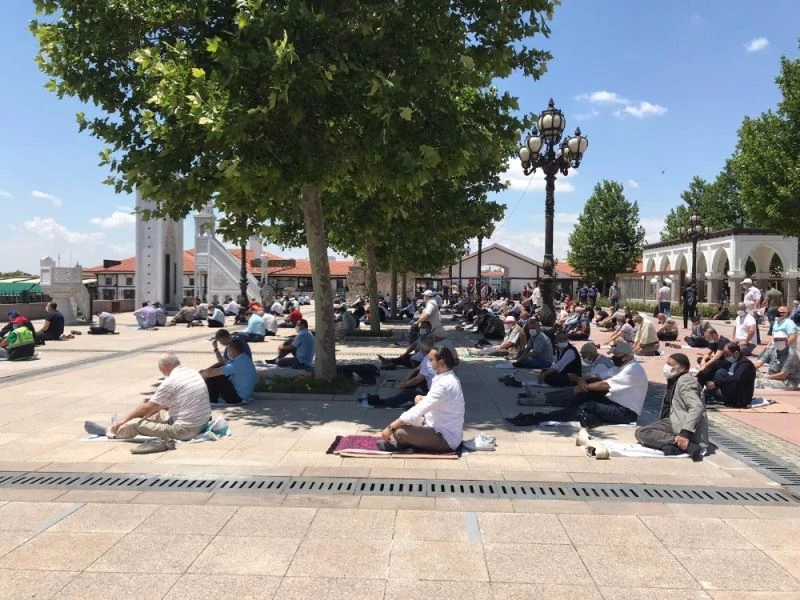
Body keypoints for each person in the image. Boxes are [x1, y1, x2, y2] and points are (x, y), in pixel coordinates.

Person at [507, 342, 647, 428]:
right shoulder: (621, 365)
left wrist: (584, 385)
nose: (614, 358)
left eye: (617, 355)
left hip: (626, 413)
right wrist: (582, 381)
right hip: (615, 402)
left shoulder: (632, 369)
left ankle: (543, 417)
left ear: (627, 356)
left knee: (588, 404)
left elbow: (605, 384)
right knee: (583, 392)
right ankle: (555, 412)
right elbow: (598, 377)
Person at [83, 353, 211, 441]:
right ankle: (123, 425)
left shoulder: (170, 381)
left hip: (185, 430)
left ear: (165, 368)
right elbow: (162, 405)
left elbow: (147, 408)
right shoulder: (191, 372)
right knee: (158, 412)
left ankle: (111, 432)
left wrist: (125, 420)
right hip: (202, 422)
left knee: (135, 424)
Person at [379, 346, 464, 453]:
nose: (428, 363)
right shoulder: (446, 378)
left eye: (431, 360)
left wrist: (390, 427)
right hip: (438, 426)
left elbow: (419, 410)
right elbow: (433, 401)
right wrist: (420, 398)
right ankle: (413, 441)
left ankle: (405, 445)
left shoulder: (445, 383)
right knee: (415, 402)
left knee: (399, 432)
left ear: (441, 363)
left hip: (445, 438)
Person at [635, 353, 707, 461]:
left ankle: (687, 445)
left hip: (683, 424)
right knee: (648, 432)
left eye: (670, 364)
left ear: (682, 368)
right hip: (674, 421)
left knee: (642, 433)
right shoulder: (675, 380)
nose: (666, 367)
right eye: (666, 363)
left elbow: (696, 406)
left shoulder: (686, 381)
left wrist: (685, 433)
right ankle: (675, 446)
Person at [369, 338, 436, 408]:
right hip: (436, 391)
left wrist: (404, 384)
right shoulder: (432, 356)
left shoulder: (428, 361)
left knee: (408, 394)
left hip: (434, 396)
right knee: (415, 375)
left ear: (422, 349)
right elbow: (415, 370)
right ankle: (404, 394)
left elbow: (418, 379)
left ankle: (384, 402)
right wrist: (406, 379)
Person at [200, 338, 257, 404]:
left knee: (217, 376)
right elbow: (222, 363)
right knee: (218, 370)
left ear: (233, 351)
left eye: (228, 350)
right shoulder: (244, 358)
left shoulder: (236, 364)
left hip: (237, 398)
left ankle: (210, 399)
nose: (227, 353)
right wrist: (205, 370)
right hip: (245, 395)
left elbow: (211, 373)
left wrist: (198, 375)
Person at [703, 342, 756, 407]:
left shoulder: (745, 364)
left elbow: (736, 378)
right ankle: (710, 394)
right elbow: (717, 365)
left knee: (721, 372)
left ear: (736, 353)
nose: (725, 357)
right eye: (724, 355)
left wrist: (715, 383)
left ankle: (712, 395)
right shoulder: (731, 361)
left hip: (740, 399)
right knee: (714, 371)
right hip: (730, 392)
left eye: (727, 355)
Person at [742, 278, 762, 345]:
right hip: (747, 310)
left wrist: (755, 308)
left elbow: (757, 299)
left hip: (752, 310)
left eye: (744, 284)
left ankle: (757, 340)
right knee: (748, 324)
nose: (743, 285)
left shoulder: (755, 290)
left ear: (749, 284)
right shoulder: (747, 290)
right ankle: (750, 338)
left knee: (754, 324)